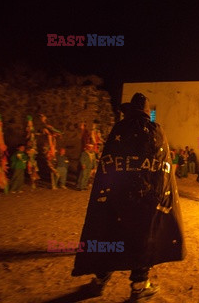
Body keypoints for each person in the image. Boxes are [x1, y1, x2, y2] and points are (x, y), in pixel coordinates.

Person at [72, 92, 185, 301]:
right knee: (143, 239)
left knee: (110, 234)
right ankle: (139, 286)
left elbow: (109, 162)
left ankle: (100, 280)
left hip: (118, 196)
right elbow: (163, 168)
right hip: (146, 199)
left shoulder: (120, 129)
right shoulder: (156, 131)